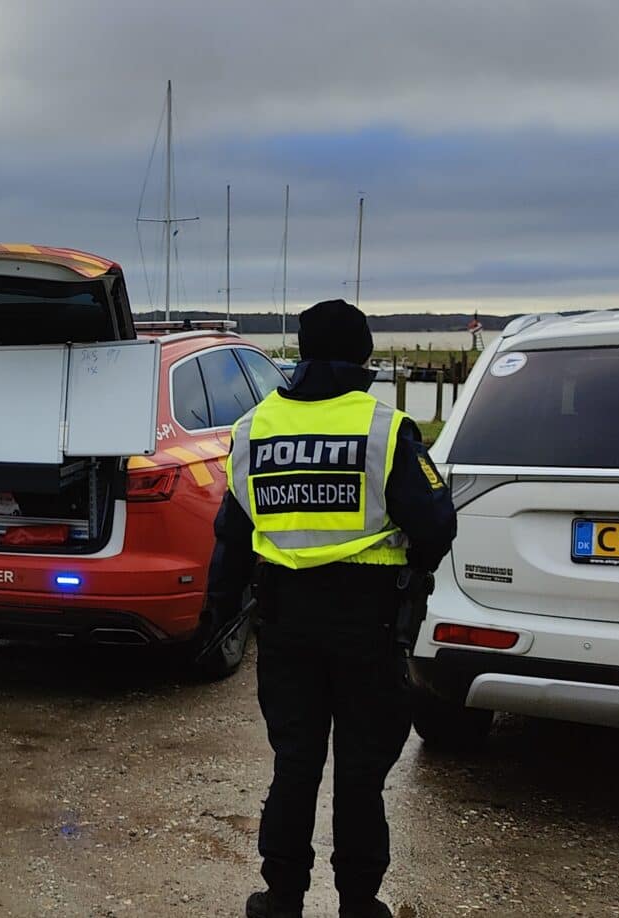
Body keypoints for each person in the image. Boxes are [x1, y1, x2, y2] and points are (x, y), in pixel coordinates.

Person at [211, 300, 456, 918]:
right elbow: (435, 526)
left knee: (294, 761)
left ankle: (282, 898)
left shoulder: (252, 429)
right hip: (368, 624)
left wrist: (215, 621)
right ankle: (359, 903)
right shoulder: (384, 428)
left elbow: (230, 540)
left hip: (286, 623)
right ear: (364, 354)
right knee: (360, 769)